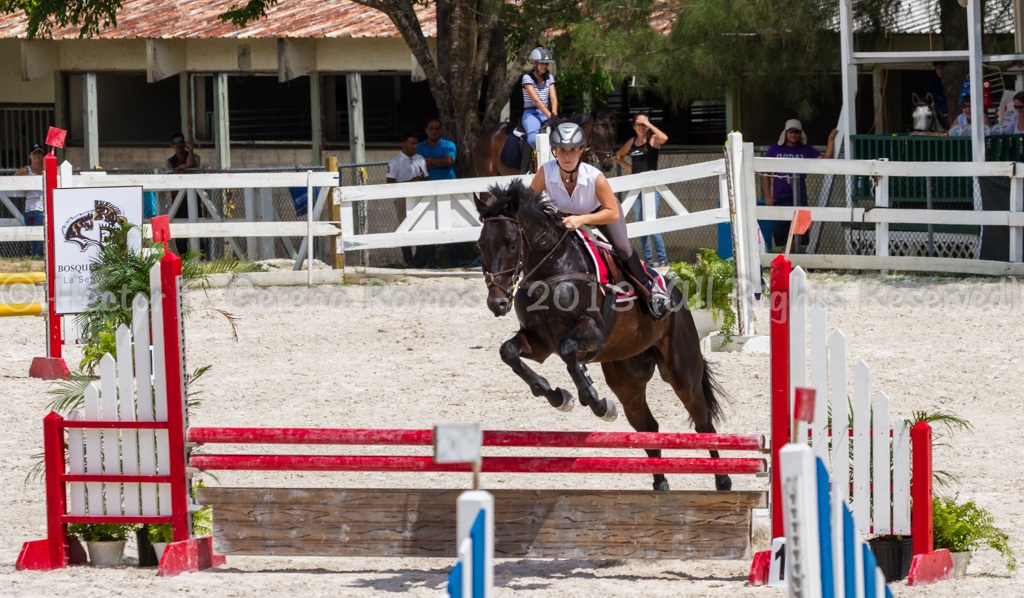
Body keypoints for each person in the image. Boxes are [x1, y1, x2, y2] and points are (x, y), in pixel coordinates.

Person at [530, 122, 669, 320]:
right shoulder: (545, 172)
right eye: (561, 150)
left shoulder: (595, 177)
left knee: (622, 247)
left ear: (582, 150)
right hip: (564, 217)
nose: (567, 155)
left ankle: (649, 293)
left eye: (572, 150)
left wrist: (581, 219)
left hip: (600, 213)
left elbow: (612, 213)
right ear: (554, 151)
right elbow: (528, 203)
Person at [762, 119, 838, 251]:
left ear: (800, 134)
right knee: (781, 236)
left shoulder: (806, 150)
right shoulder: (774, 149)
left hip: (800, 198)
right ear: (785, 132)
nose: (794, 135)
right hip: (779, 198)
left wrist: (830, 140)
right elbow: (765, 174)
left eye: (797, 132)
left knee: (800, 234)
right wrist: (768, 197)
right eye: (791, 131)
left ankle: (798, 263)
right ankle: (785, 263)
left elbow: (826, 161)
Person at [615, 113, 669, 267]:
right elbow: (618, 156)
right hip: (636, 189)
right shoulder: (632, 142)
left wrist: (649, 124)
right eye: (638, 124)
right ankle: (648, 260)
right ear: (633, 127)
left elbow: (664, 138)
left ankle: (662, 257)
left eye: (643, 124)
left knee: (651, 222)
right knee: (640, 221)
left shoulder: (653, 140)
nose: (641, 127)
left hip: (651, 188)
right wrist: (628, 167)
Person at [415, 118, 458, 267]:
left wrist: (429, 162)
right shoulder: (419, 147)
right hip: (426, 191)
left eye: (437, 128)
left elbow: (448, 161)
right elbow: (418, 165)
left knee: (451, 224)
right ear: (426, 130)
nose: (434, 131)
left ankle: (456, 260)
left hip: (448, 190)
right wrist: (436, 162)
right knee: (427, 225)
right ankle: (428, 261)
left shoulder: (449, 145)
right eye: (431, 128)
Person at [386, 132, 429, 266]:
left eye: (416, 143)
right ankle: (408, 261)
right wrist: (409, 183)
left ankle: (419, 260)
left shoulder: (420, 159)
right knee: (404, 227)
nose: (415, 146)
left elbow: (426, 178)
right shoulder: (395, 162)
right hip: (403, 198)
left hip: (418, 197)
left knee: (422, 227)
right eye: (412, 143)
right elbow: (390, 183)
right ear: (403, 144)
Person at [520, 47, 558, 172]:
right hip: (531, 113)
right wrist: (550, 115)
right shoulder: (527, 78)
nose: (544, 66)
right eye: (541, 63)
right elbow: (536, 100)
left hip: (546, 113)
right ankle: (530, 168)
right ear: (534, 63)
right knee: (533, 139)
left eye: (546, 64)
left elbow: (553, 98)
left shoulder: (550, 78)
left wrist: (555, 115)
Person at [14, 143, 46, 258]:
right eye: (34, 153)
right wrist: (24, 187)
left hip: (47, 209)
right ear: (29, 156)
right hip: (33, 209)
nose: (37, 155)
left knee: (47, 240)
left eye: (39, 153)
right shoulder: (25, 171)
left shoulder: (46, 169)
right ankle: (36, 262)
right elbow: (12, 181)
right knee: (37, 242)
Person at [926, 62, 950, 129]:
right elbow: (928, 96)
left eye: (942, 68)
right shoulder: (934, 80)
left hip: (949, 109)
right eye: (938, 68)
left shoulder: (950, 80)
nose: (940, 70)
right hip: (938, 109)